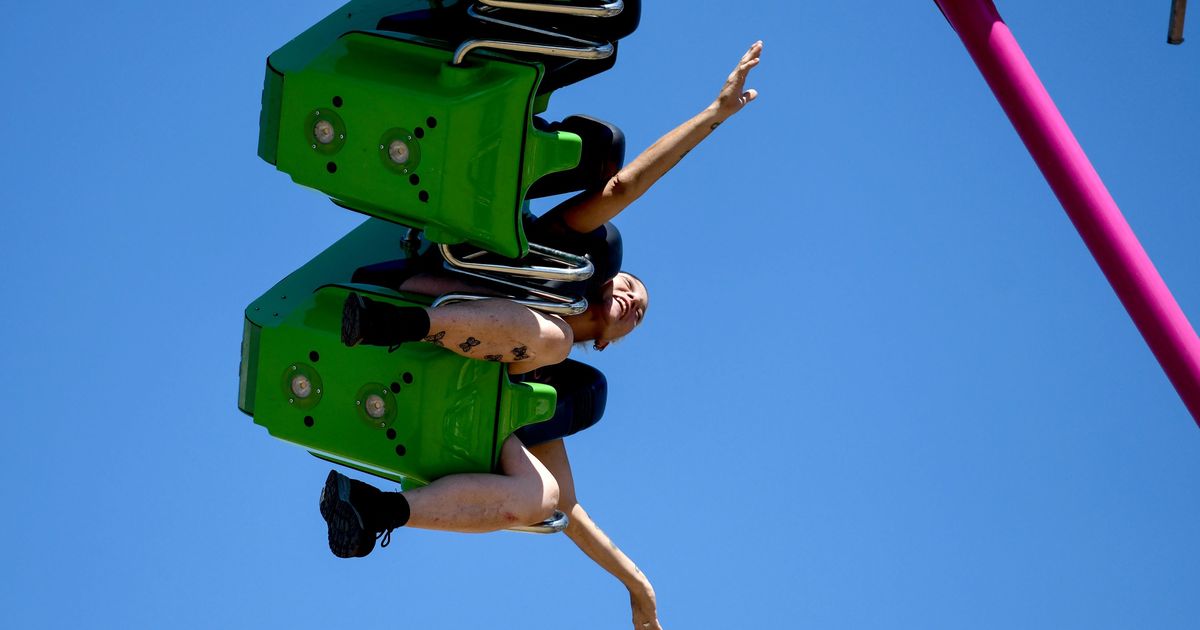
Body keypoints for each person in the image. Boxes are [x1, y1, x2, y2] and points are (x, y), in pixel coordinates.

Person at [322, 41, 762, 630]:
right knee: (551, 336)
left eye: (640, 313)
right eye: (634, 287)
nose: (633, 298)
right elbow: (624, 187)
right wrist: (714, 113)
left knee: (542, 498)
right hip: (422, 299)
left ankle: (379, 511)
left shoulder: (556, 392)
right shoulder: (566, 259)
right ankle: (399, 323)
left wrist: (638, 587)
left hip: (459, 388)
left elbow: (572, 510)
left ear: (609, 341)